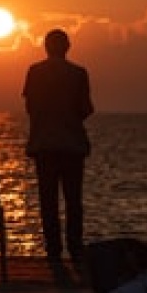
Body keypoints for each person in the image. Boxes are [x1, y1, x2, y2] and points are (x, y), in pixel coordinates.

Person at [22, 28, 94, 264]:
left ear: (46, 47)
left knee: (48, 200)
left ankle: (53, 251)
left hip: (44, 145)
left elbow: (30, 107)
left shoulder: (34, 72)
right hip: (72, 145)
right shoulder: (78, 73)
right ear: (67, 47)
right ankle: (75, 248)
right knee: (74, 200)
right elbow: (86, 109)